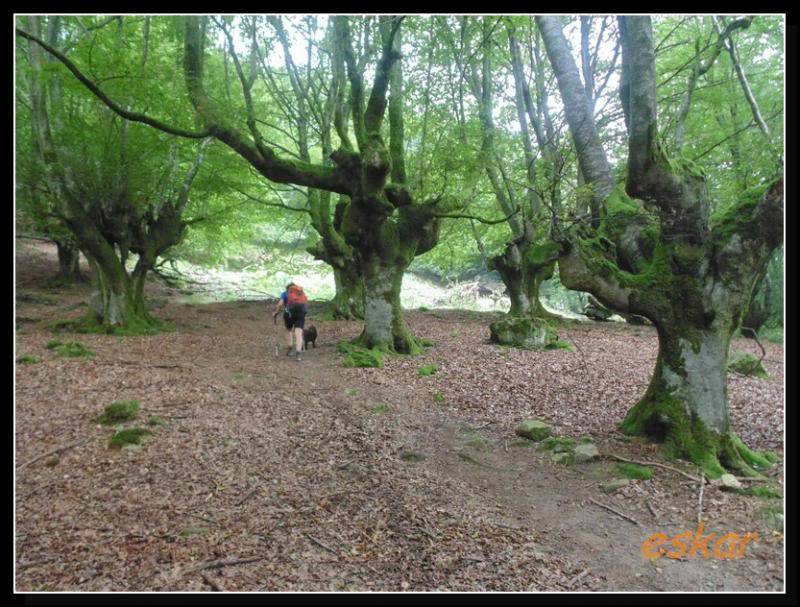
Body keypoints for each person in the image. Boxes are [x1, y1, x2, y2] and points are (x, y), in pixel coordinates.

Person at [273, 282, 308, 361]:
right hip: (301, 313)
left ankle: (290, 349)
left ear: (287, 288)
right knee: (298, 332)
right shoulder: (300, 293)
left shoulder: (285, 293)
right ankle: (299, 353)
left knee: (289, 330)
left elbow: (280, 304)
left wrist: (276, 312)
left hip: (289, 314)